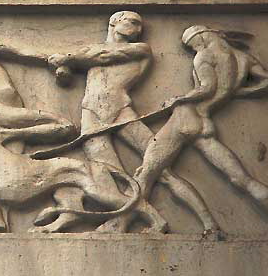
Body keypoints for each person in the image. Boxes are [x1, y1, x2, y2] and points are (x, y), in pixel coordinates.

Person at [47, 12, 219, 233]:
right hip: (91, 115)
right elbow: (80, 65)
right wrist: (62, 70)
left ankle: (209, 224)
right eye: (133, 22)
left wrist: (67, 57)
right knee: (110, 176)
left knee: (163, 172)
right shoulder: (87, 53)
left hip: (122, 112)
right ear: (114, 22)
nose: (138, 29)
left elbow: (103, 56)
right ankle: (130, 221)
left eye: (139, 25)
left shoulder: (140, 50)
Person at [134, 25, 268, 233]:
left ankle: (133, 223)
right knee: (240, 178)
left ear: (201, 37)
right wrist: (235, 93)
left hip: (184, 118)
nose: (194, 49)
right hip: (204, 122)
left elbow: (206, 87)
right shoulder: (243, 58)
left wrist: (178, 99)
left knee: (147, 171)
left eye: (192, 45)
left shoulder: (204, 56)